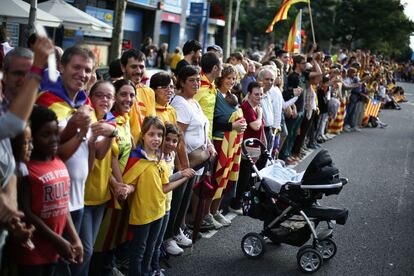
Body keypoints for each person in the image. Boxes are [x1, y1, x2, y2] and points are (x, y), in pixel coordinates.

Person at [0, 37, 54, 267]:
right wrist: (37, 68)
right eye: (17, 74)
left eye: (28, 74)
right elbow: (13, 125)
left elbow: (9, 169)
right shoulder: (10, 118)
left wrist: (10, 210)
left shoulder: (38, 113)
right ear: (4, 75)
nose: (24, 81)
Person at [12, 106, 83, 276]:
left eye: (55, 133)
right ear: (32, 137)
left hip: (57, 251)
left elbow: (63, 204)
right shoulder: (26, 170)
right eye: (45, 135)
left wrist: (74, 238)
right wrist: (58, 240)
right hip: (33, 253)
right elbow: (27, 212)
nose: (54, 140)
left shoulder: (58, 160)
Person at [122, 116, 193, 276]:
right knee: (139, 251)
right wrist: (126, 188)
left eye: (159, 135)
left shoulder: (160, 159)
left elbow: (164, 186)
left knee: (152, 247)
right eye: (151, 134)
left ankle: (149, 272)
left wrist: (183, 177)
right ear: (143, 135)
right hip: (142, 215)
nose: (156, 139)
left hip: (160, 211)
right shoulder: (136, 157)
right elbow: (130, 183)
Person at [36, 46, 95, 235]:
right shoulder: (45, 100)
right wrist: (76, 126)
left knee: (80, 255)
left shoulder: (85, 101)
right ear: (61, 67)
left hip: (79, 196)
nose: (82, 74)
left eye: (87, 70)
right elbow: (51, 149)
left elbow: (90, 146)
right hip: (53, 202)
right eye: (76, 67)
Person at [74, 81, 118, 276]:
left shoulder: (111, 120)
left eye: (109, 96)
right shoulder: (89, 117)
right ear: (90, 97)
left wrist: (112, 132)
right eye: (100, 95)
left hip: (100, 194)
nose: (105, 100)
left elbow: (107, 157)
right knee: (85, 250)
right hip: (82, 194)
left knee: (88, 249)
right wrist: (110, 134)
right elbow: (97, 156)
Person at [170, 65, 217, 233]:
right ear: (181, 82)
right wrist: (183, 165)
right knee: (178, 200)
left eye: (198, 79)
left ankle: (180, 229)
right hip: (187, 160)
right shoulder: (180, 104)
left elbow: (203, 128)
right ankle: (172, 234)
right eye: (191, 80)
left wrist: (209, 144)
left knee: (187, 198)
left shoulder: (194, 101)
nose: (196, 83)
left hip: (198, 159)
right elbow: (178, 137)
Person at [151, 123, 195, 275]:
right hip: (156, 203)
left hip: (166, 204)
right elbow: (163, 183)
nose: (170, 143)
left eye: (174, 141)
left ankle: (155, 268)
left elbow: (169, 178)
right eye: (167, 139)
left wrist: (182, 173)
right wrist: (182, 176)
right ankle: (149, 269)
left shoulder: (172, 155)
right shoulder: (157, 157)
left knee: (158, 241)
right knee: (151, 242)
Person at [210, 64, 246, 224]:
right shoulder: (215, 95)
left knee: (226, 180)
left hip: (232, 144)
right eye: (228, 78)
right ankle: (208, 213)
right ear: (221, 78)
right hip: (219, 142)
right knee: (216, 179)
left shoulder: (232, 96)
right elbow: (213, 122)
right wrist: (232, 126)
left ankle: (216, 210)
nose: (231, 81)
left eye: (234, 78)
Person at [230, 82, 264, 213]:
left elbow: (260, 128)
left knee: (249, 177)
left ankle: (242, 202)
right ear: (249, 94)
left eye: (261, 94)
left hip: (254, 148)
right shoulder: (246, 106)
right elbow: (255, 126)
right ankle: (235, 204)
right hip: (245, 148)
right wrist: (260, 115)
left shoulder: (256, 107)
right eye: (256, 94)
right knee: (243, 178)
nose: (259, 96)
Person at [120, 48, 156, 144]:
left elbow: (152, 122)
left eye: (141, 67)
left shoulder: (149, 92)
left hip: (145, 151)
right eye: (134, 67)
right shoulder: (114, 90)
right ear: (123, 67)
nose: (138, 71)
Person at [194, 52, 223, 141]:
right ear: (215, 68)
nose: (222, 68)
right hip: (197, 137)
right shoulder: (197, 88)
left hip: (209, 136)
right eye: (221, 65)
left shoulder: (212, 84)